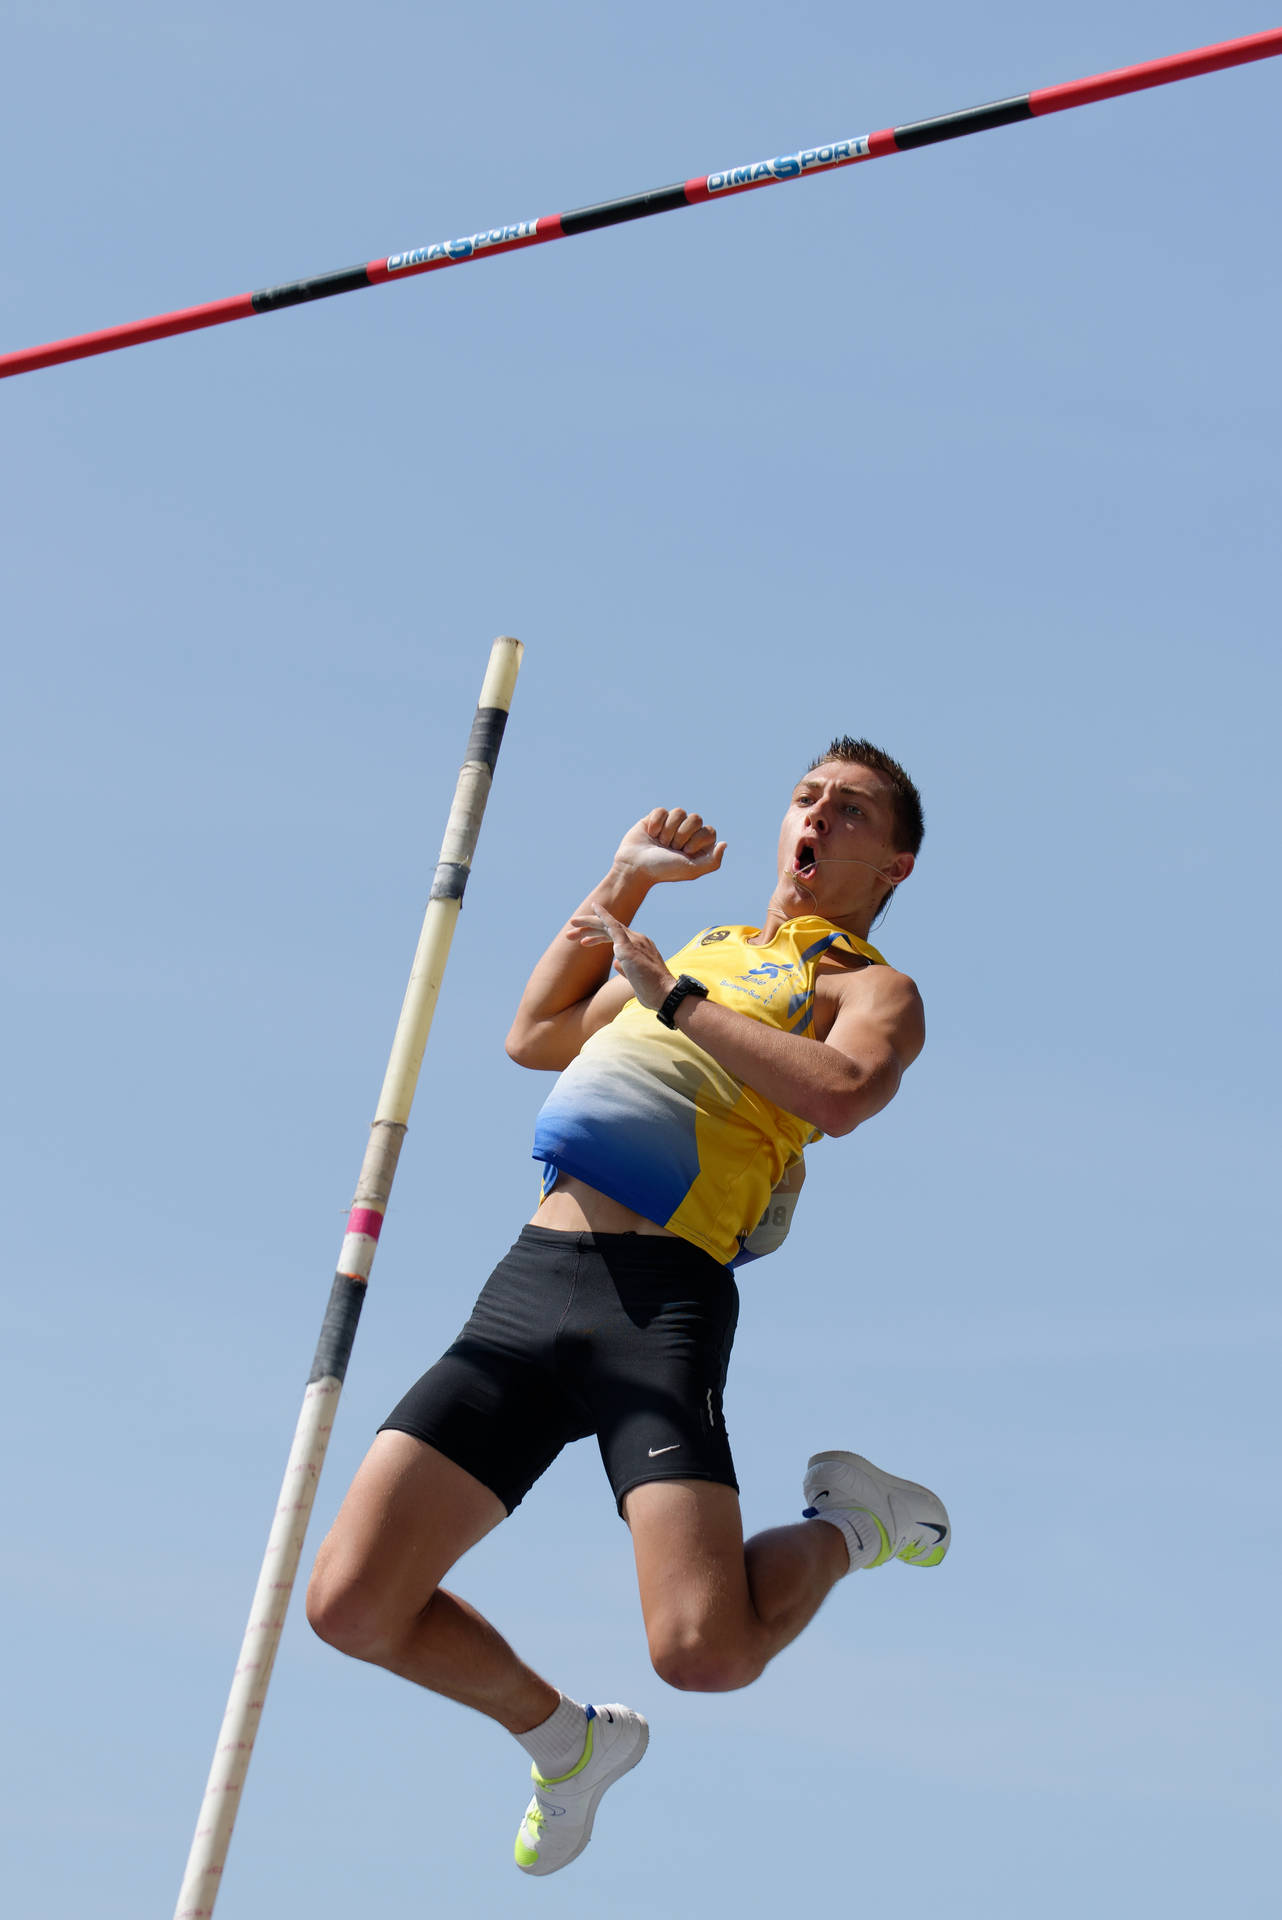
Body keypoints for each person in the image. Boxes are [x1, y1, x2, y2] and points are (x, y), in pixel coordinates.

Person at [306, 736, 950, 1876]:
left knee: (704, 1653)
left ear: (892, 865)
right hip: (530, 1283)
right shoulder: (701, 945)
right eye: (806, 798)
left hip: (662, 1302)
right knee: (351, 1603)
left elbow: (846, 1094)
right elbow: (536, 1035)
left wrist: (678, 1003)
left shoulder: (863, 986)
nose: (815, 817)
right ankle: (565, 1741)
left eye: (848, 812)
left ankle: (854, 1524)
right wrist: (623, 883)